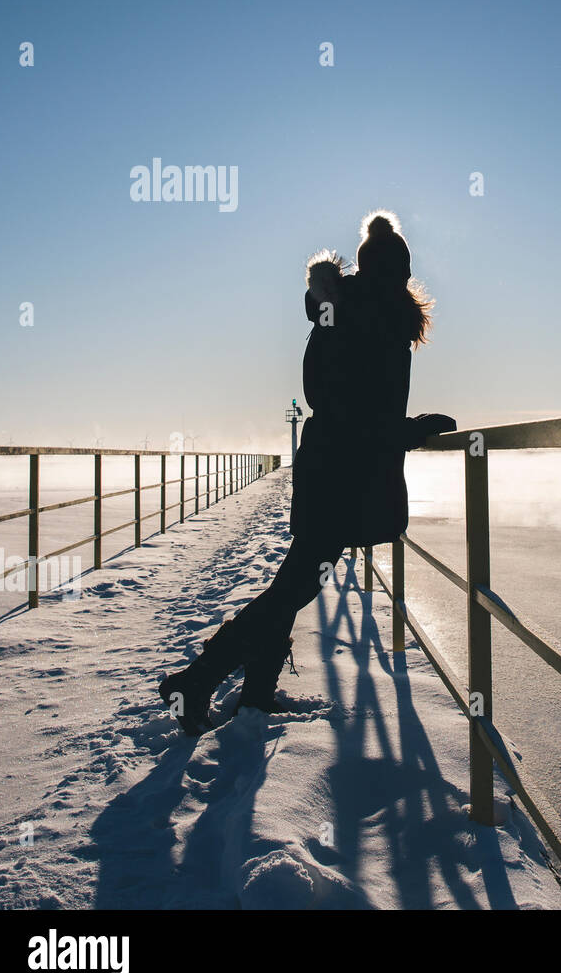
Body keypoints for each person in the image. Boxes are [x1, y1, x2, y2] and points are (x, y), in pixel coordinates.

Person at [159, 211, 455, 735]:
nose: (406, 282)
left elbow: (348, 398)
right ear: (388, 271)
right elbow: (342, 401)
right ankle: (199, 679)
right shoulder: (364, 314)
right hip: (343, 473)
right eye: (401, 272)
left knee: (294, 583)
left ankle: (249, 693)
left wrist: (398, 427)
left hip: (336, 469)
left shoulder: (352, 309)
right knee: (294, 586)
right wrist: (407, 431)